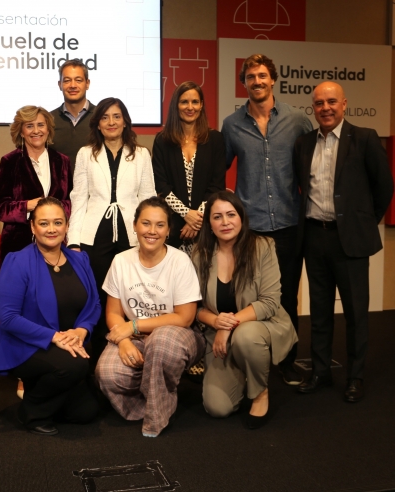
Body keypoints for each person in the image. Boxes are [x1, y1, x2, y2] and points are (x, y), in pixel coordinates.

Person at [293, 82, 394, 402]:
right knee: (320, 312)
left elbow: (385, 187)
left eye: (331, 101)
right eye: (319, 103)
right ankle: (321, 372)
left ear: (345, 104)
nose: (325, 107)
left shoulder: (363, 138)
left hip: (349, 241)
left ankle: (355, 376)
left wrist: (363, 223)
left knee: (355, 313)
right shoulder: (304, 143)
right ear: (313, 107)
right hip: (314, 237)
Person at [221, 54, 313, 385]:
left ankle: (286, 361)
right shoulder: (232, 125)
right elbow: (220, 171)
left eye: (262, 76)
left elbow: (311, 170)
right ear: (243, 83)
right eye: (250, 77)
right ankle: (251, 359)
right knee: (248, 297)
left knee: (287, 296)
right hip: (252, 228)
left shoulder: (298, 120)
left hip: (289, 224)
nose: (257, 82)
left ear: (273, 79)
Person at [95, 197, 205, 438]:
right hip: (134, 337)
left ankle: (157, 415)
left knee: (160, 343)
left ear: (168, 230)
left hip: (177, 337)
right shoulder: (121, 261)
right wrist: (123, 341)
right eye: (146, 223)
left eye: (159, 225)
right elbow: (113, 312)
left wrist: (133, 324)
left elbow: (185, 317)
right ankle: (151, 399)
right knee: (107, 373)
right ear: (134, 225)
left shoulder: (180, 261)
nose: (152, 231)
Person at [0, 197, 100, 436]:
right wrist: (55, 337)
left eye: (58, 222)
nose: (51, 229)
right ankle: (30, 413)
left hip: (69, 343)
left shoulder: (80, 259)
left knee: (87, 412)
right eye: (44, 223)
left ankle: (39, 389)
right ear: (32, 227)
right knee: (75, 366)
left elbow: (94, 304)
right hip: (26, 344)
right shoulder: (18, 262)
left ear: (67, 226)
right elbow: (8, 318)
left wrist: (82, 330)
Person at [192, 191, 297, 429]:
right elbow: (195, 308)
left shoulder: (263, 247)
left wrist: (228, 327)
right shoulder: (200, 254)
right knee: (217, 408)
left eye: (231, 214)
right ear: (209, 223)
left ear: (241, 217)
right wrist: (217, 323)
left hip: (261, 327)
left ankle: (260, 392)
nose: (225, 222)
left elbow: (270, 302)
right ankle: (243, 371)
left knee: (245, 337)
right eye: (217, 217)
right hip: (219, 336)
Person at [68, 97, 156, 364]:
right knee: (98, 297)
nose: (111, 122)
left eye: (116, 116)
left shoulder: (141, 154)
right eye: (105, 117)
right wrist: (73, 241)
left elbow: (148, 196)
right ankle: (97, 359)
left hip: (132, 236)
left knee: (130, 295)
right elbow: (79, 198)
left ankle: (131, 352)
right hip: (95, 235)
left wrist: (150, 235)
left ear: (125, 120)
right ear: (98, 123)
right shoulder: (86, 153)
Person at [153, 81, 226, 255]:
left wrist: (197, 219)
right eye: (184, 102)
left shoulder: (215, 139)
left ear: (201, 105)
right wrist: (186, 214)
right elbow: (160, 184)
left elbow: (217, 185)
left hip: (206, 226)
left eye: (195, 102)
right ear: (176, 106)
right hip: (173, 226)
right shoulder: (162, 140)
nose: (190, 107)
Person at [0, 105, 71, 267]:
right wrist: (28, 206)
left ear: (48, 129)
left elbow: (71, 201)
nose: (36, 131)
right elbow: (0, 208)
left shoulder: (62, 161)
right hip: (18, 245)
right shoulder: (9, 162)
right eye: (29, 126)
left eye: (41, 125)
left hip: (56, 244)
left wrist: (51, 209)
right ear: (21, 132)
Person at [50, 59, 97, 175]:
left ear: (87, 84)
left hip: (95, 192)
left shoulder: (101, 117)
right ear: (60, 85)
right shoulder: (48, 120)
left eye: (78, 80)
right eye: (67, 80)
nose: (72, 85)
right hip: (59, 192)